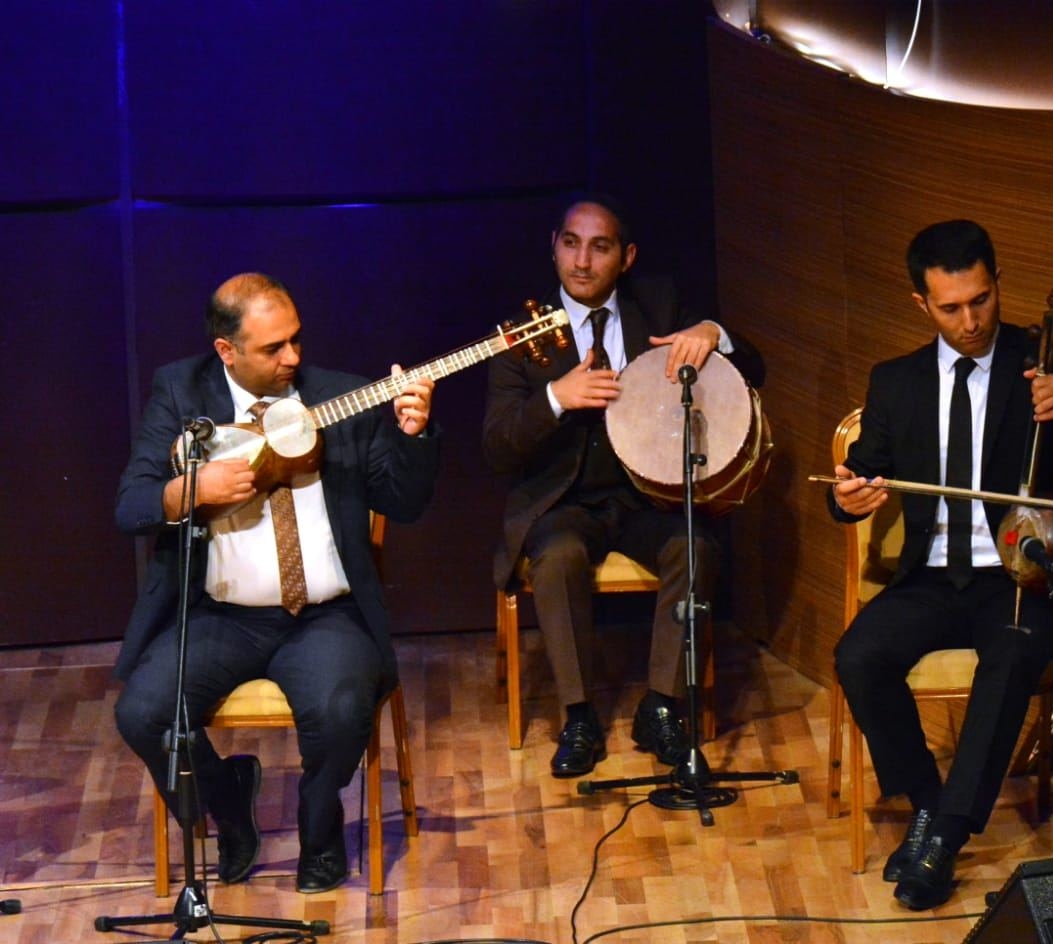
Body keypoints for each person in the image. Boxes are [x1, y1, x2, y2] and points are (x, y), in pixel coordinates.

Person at [828, 220, 1053, 910]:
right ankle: (925, 803)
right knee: (859, 655)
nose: (970, 321)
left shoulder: (1042, 357)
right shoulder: (895, 383)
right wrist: (851, 499)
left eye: (981, 300)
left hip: (1024, 580)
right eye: (951, 308)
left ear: (997, 283)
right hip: (933, 577)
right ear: (921, 303)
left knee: (1006, 655)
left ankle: (942, 840)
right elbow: (856, 482)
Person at [113, 273, 441, 894]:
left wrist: (414, 434)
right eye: (273, 348)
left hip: (325, 616)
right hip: (222, 615)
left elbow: (405, 502)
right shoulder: (181, 392)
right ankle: (228, 805)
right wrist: (192, 492)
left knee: (343, 710)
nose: (293, 357)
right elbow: (130, 505)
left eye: (295, 341)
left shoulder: (340, 396)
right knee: (143, 713)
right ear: (226, 351)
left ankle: (320, 832)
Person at [483, 194, 765, 778]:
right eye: (570, 243)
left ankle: (660, 707)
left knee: (695, 546)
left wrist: (714, 333)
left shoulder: (658, 307)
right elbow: (496, 445)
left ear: (626, 256)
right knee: (557, 559)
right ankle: (580, 715)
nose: (582, 261)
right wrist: (556, 398)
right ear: (554, 247)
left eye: (600, 247)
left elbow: (753, 368)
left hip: (644, 496)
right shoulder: (519, 333)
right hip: (564, 501)